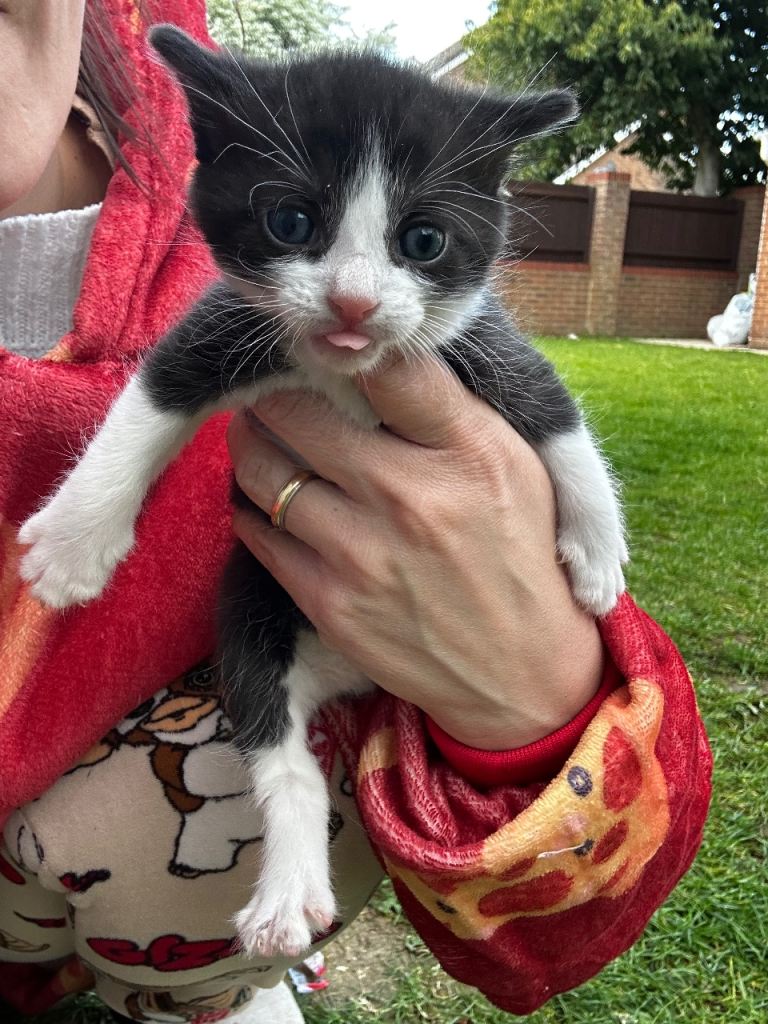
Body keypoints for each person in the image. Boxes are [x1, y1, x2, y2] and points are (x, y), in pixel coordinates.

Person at [0, 1, 711, 1022]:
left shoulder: (415, 332)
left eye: (420, 241)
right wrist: (91, 519)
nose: (356, 295)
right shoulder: (223, 274)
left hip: (256, 771)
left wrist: (561, 627)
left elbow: (547, 415)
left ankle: (226, 981)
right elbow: (170, 388)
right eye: (295, 226)